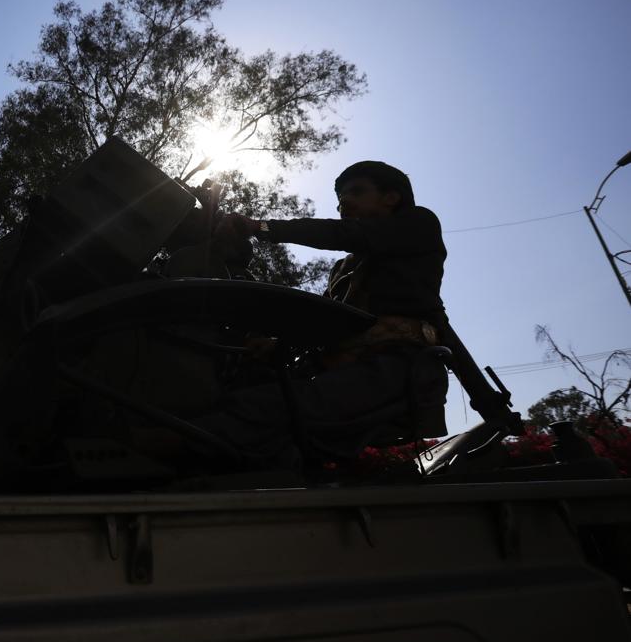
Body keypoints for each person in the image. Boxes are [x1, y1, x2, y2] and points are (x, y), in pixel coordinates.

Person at [192, 160, 450, 470]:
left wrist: (260, 227)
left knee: (265, 407)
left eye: (356, 191)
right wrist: (276, 343)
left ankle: (171, 441)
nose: (344, 203)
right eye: (340, 198)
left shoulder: (418, 224)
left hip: (396, 368)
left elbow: (343, 234)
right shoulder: (344, 270)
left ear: (391, 198)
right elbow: (322, 325)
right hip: (343, 368)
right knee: (243, 393)